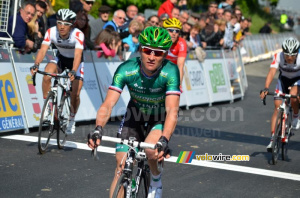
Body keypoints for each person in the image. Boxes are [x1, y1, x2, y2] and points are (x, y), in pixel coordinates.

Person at [87, 26, 180, 198]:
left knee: (152, 150)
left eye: (158, 53)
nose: (151, 57)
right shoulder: (126, 69)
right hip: (134, 115)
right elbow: (108, 103)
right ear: (140, 49)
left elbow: (172, 111)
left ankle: (156, 180)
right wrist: (98, 128)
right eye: (147, 51)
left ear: (165, 55)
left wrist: (164, 139)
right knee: (121, 166)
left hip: (158, 118)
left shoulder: (171, 71)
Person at [30, 9, 85, 135]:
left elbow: (77, 55)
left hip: (76, 62)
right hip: (60, 58)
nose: (62, 26)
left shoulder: (78, 34)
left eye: (66, 24)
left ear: (72, 25)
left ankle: (71, 118)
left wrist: (73, 71)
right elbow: (43, 50)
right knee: (47, 74)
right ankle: (48, 107)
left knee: (75, 94)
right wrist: (36, 64)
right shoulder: (51, 32)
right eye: (59, 23)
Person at [260, 37, 300, 152]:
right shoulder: (278, 56)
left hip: (297, 81)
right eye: (287, 55)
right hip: (283, 81)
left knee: (293, 95)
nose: (289, 58)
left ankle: (296, 116)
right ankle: (272, 139)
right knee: (277, 108)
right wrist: (266, 88)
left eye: (292, 55)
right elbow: (272, 72)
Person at [163, 18, 187, 84]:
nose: (174, 33)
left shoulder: (181, 42)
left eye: (177, 31)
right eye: (171, 30)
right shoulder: (160, 41)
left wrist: (178, 85)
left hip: (173, 70)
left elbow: (180, 66)